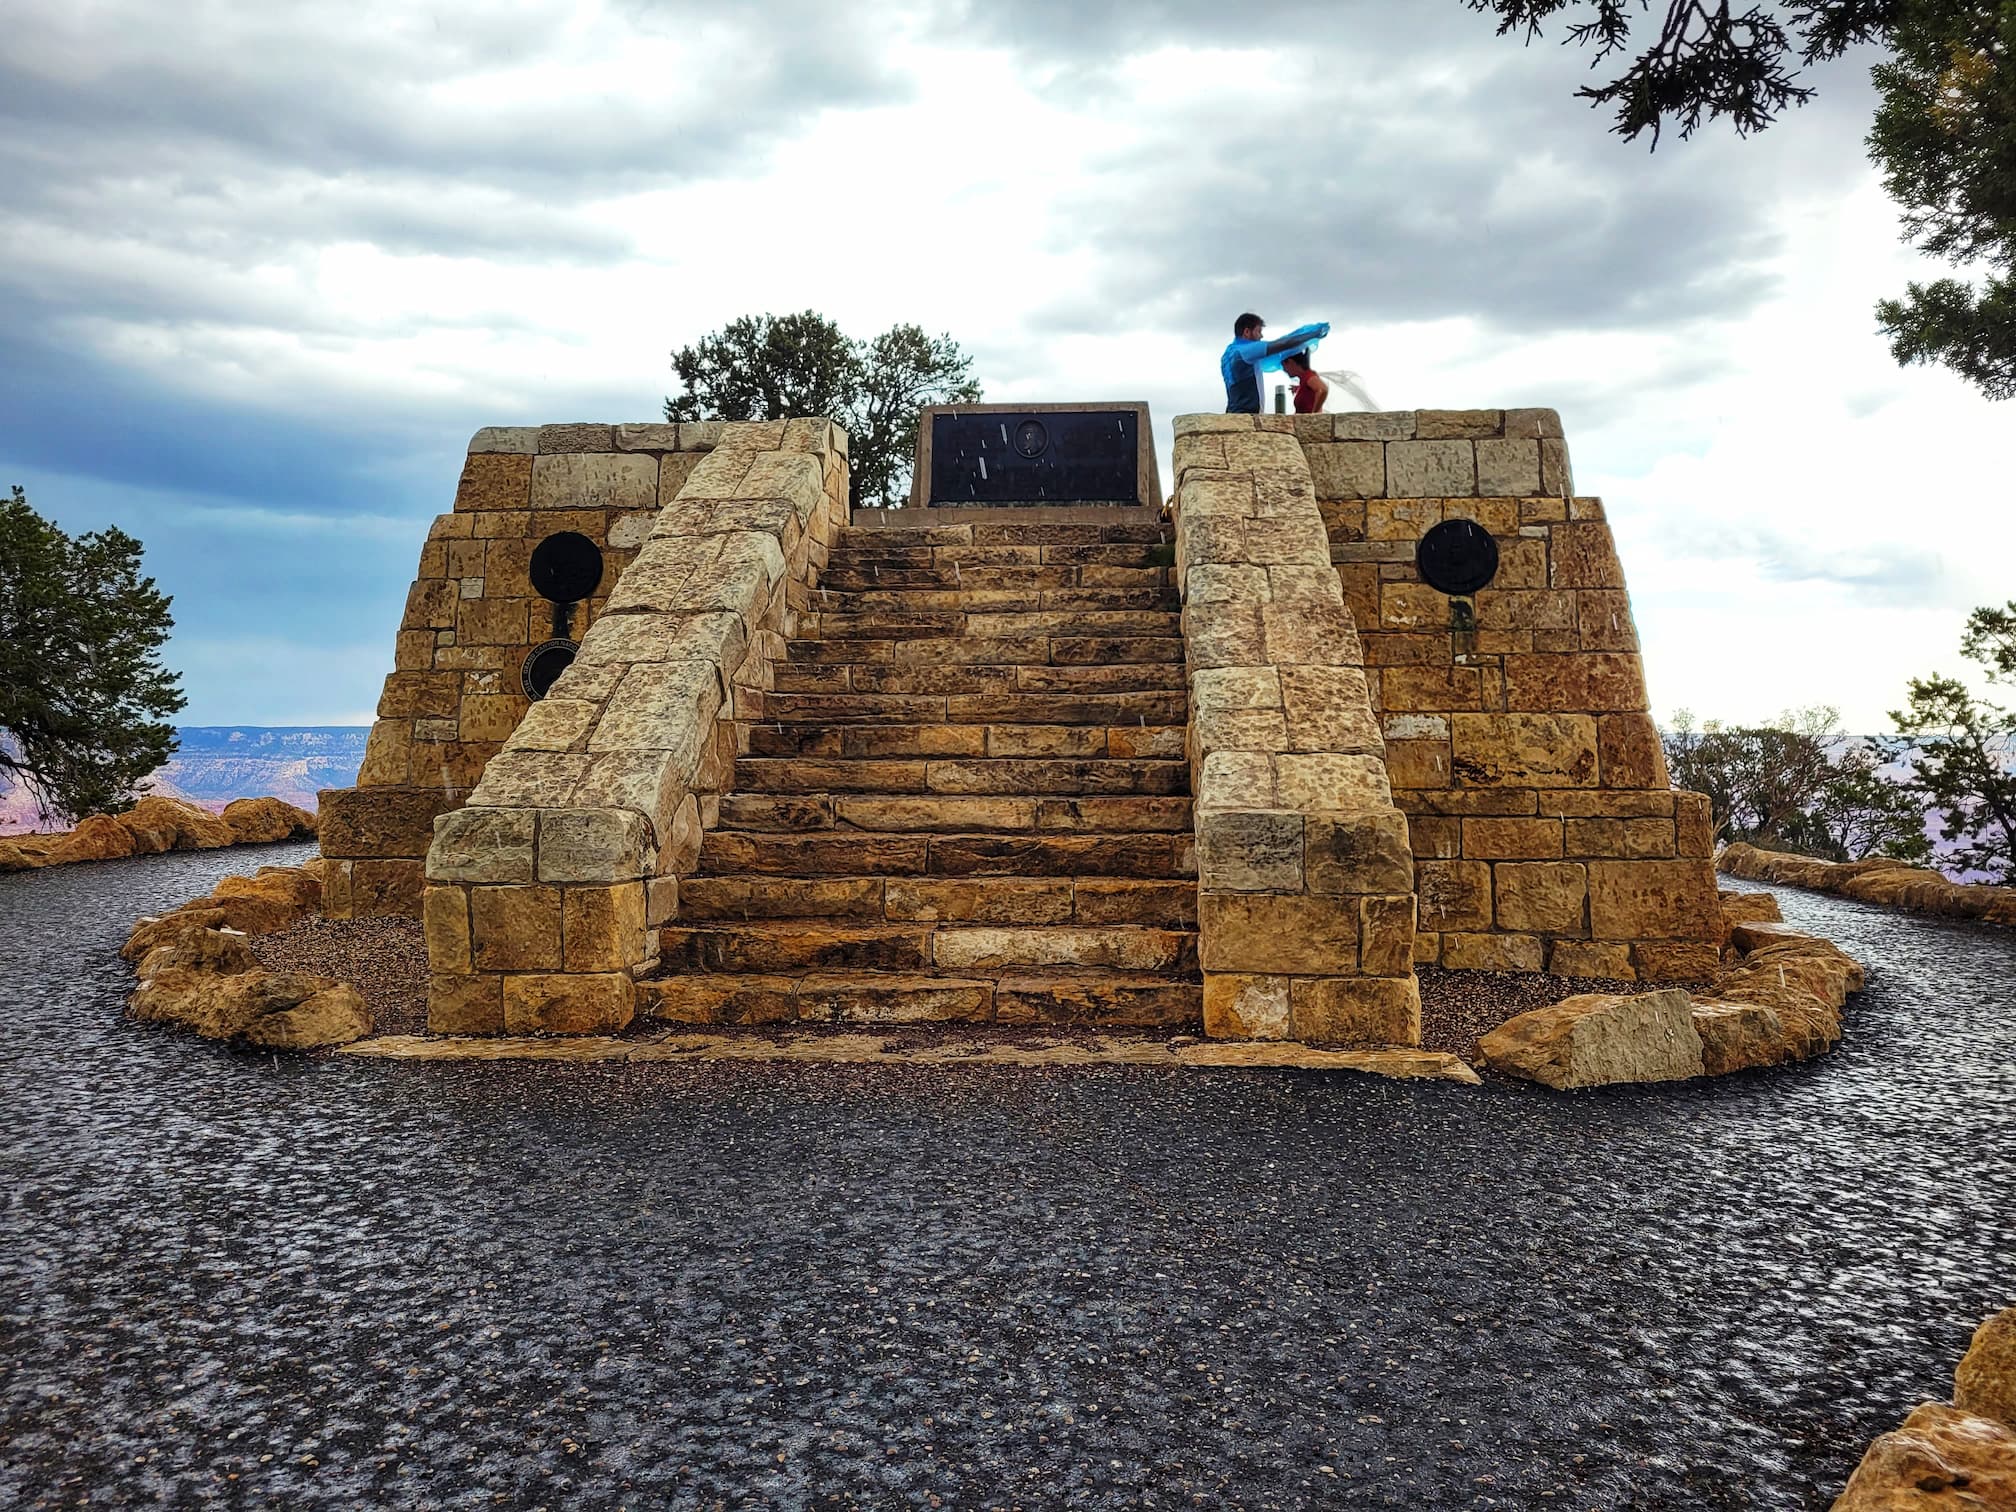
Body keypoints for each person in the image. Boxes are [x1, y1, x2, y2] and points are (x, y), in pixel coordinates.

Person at [1221, 313, 1330, 414]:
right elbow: (1283, 344)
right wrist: (1312, 334)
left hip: (1233, 411)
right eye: (1258, 331)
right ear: (1247, 332)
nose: (1261, 336)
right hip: (1247, 414)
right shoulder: (1246, 350)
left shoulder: (1228, 354)